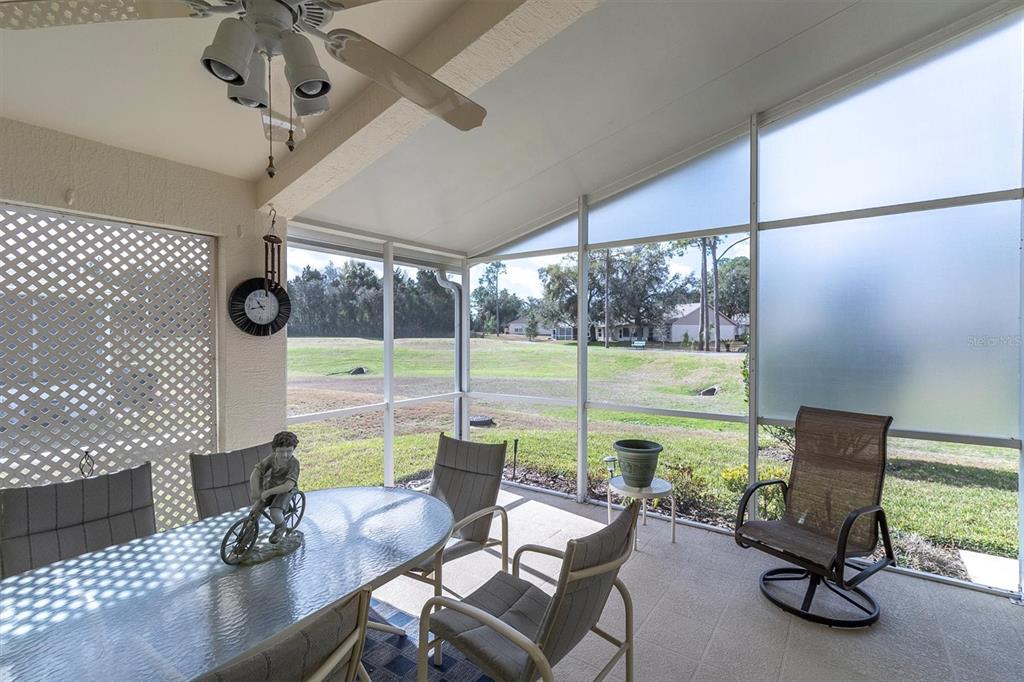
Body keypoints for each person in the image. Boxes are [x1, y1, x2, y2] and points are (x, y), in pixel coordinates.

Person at [250, 431, 301, 543]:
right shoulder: (272, 458)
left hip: (286, 491)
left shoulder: (294, 464)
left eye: (289, 451)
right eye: (281, 452)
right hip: (272, 486)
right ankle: (249, 530)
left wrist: (268, 492)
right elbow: (257, 472)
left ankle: (280, 526)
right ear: (275, 450)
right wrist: (256, 491)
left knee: (275, 512)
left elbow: (288, 486)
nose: (285, 455)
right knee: (255, 510)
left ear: (294, 449)